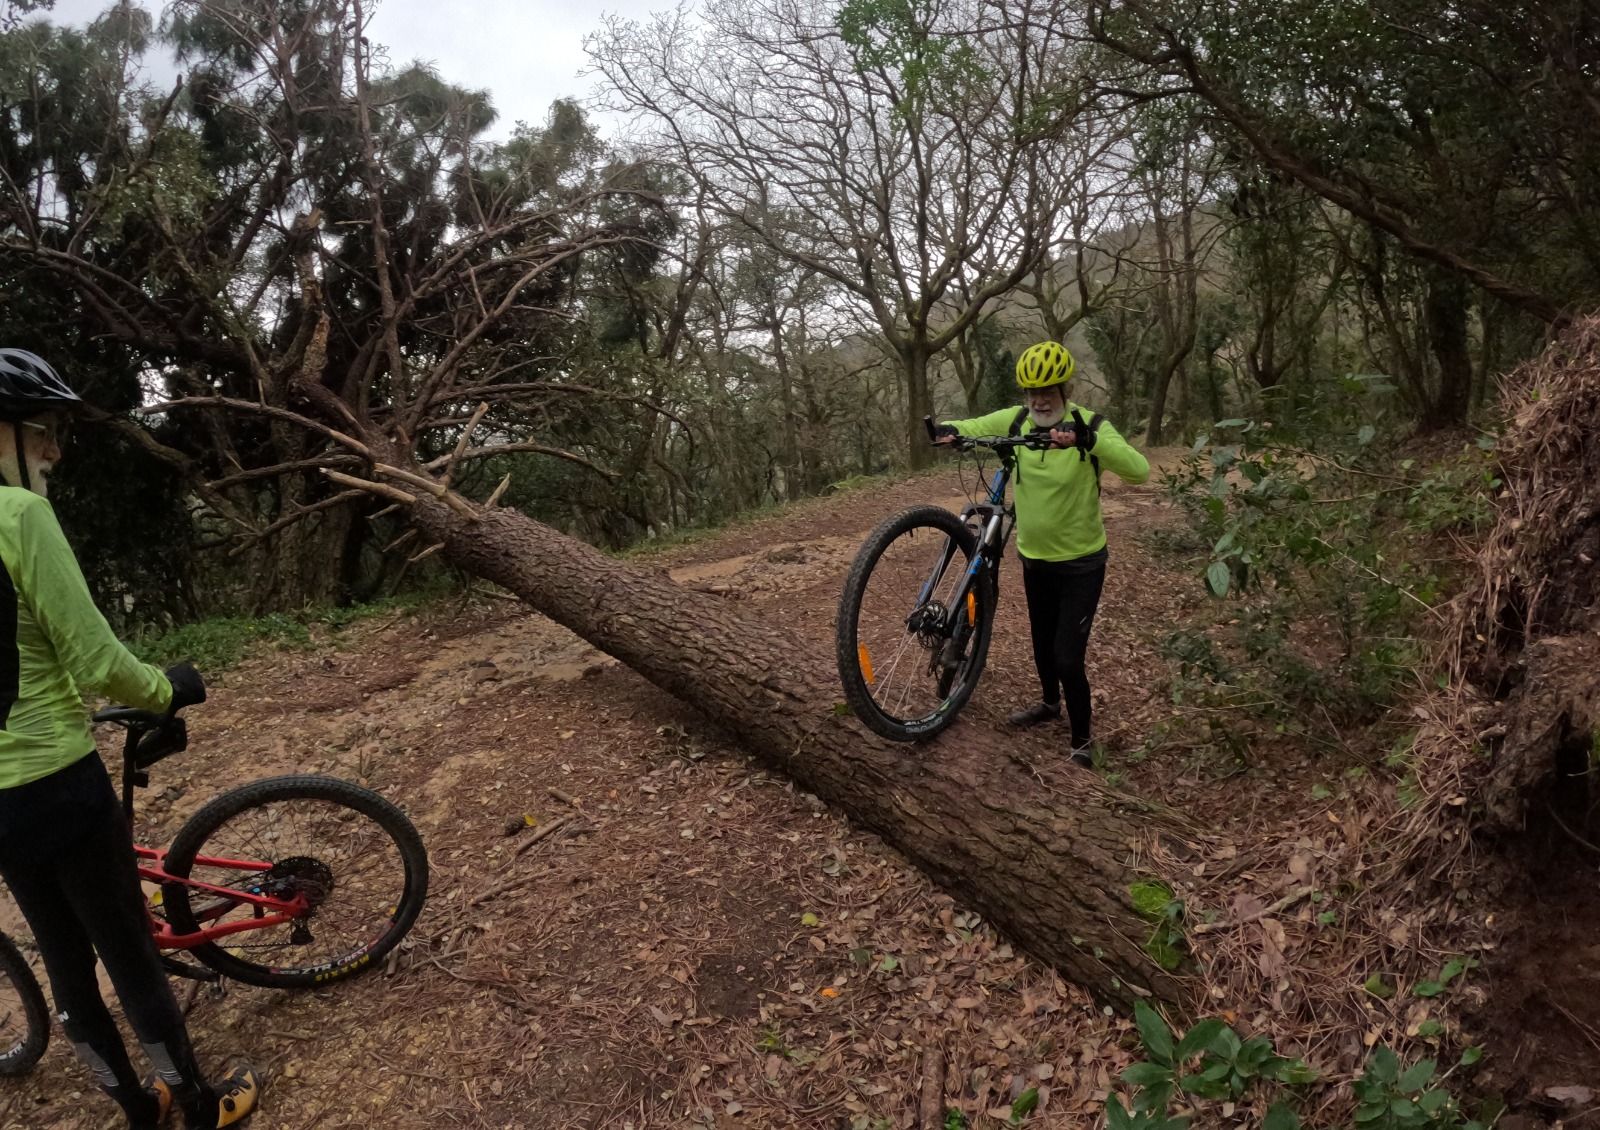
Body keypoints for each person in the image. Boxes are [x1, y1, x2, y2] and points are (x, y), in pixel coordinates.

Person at [0, 348, 259, 1129]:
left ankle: (137, 1110)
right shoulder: (19, 517)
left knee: (64, 959)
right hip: (56, 779)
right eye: (43, 431)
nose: (54, 451)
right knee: (130, 952)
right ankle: (200, 1106)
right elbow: (96, 661)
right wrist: (166, 688)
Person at [933, 341, 1149, 767]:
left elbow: (1138, 470)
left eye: (1048, 390)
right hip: (1035, 560)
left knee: (1067, 656)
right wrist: (949, 429)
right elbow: (975, 425)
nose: (1040, 400)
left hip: (1082, 564)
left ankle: (1082, 739)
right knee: (1042, 646)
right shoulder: (1017, 421)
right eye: (1032, 392)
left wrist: (1090, 442)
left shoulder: (1091, 424)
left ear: (1065, 389)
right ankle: (1050, 704)